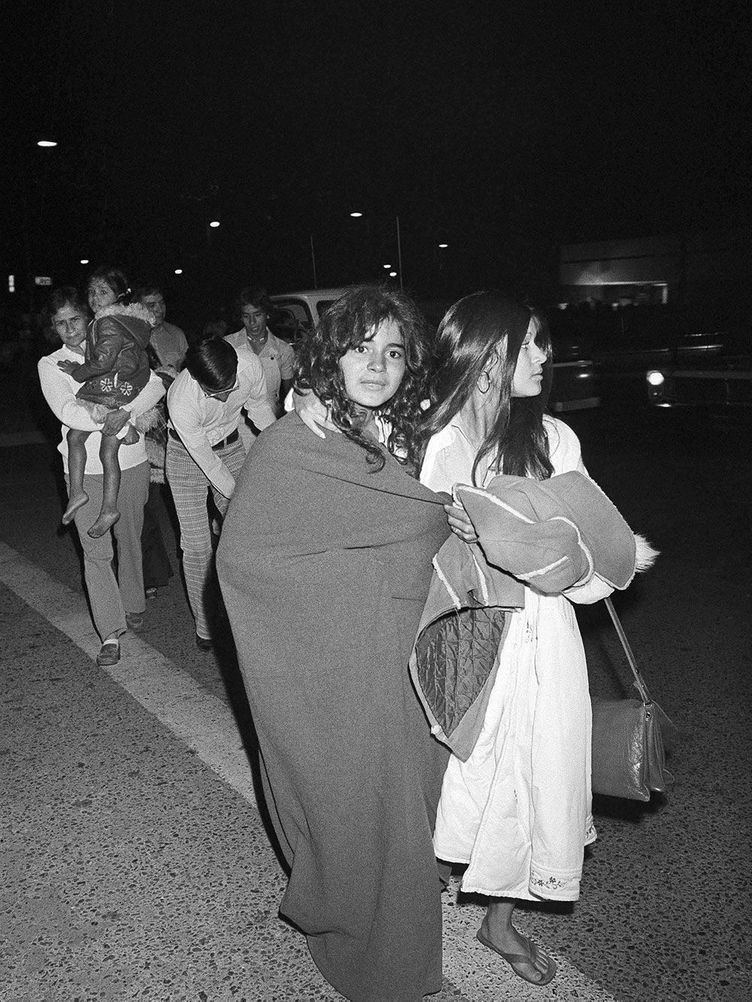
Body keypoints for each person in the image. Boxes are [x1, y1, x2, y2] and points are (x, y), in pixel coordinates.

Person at [216, 286, 452, 1002]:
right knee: (364, 806)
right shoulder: (298, 442)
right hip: (343, 660)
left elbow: (438, 513)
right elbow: (244, 557)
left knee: (407, 803)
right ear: (329, 356)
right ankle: (386, 964)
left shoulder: (412, 434)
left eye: (393, 352)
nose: (377, 366)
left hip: (405, 646)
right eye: (360, 348)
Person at [417, 291, 653, 987]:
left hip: (544, 635)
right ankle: (418, 884)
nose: (547, 356)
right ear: (490, 356)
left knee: (537, 774)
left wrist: (561, 554)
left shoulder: (554, 439)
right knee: (459, 770)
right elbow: (411, 555)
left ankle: (498, 921)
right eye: (533, 343)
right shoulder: (445, 441)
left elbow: (599, 556)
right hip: (469, 634)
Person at [38, 286, 166, 666]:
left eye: (74, 319)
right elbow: (65, 410)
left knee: (129, 539)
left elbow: (155, 382)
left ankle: (132, 601)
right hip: (83, 469)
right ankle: (110, 632)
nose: (69, 329)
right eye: (60, 324)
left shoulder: (115, 335)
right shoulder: (51, 364)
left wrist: (125, 413)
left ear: (89, 316)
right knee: (96, 552)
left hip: (131, 461)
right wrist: (105, 417)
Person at [165, 337, 276, 649]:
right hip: (187, 456)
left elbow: (259, 409)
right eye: (216, 393)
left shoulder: (250, 365)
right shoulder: (182, 398)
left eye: (230, 386)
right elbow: (210, 466)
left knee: (246, 532)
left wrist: (282, 446)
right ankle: (206, 625)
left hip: (230, 446)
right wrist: (236, 494)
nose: (227, 396)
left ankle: (250, 611)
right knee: (197, 545)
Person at [57, 267, 153, 538]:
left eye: (102, 292)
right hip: (125, 386)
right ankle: (108, 507)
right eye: (91, 291)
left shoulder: (106, 322)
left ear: (120, 294)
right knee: (108, 451)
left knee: (75, 438)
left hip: (109, 389)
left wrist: (77, 371)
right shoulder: (131, 321)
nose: (94, 297)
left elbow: (102, 361)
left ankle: (77, 492)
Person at [134, 285, 189, 600]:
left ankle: (191, 557)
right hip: (147, 429)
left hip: (178, 426)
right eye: (150, 303)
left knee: (182, 499)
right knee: (148, 504)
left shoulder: (176, 335)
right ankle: (153, 572)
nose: (157, 308)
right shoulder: (133, 337)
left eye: (161, 301)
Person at [225, 285, 294, 448]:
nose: (252, 322)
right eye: (246, 316)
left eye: (258, 315)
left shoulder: (283, 349)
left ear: (267, 314)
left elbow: (289, 394)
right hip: (235, 426)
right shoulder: (228, 345)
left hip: (270, 423)